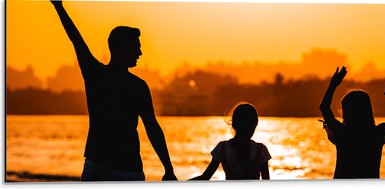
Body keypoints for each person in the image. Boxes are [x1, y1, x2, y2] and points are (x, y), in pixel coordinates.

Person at [51, 0, 177, 181]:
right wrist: (169, 169)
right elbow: (76, 39)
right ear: (121, 48)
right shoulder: (132, 85)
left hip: (108, 167)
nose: (139, 52)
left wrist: (168, 168)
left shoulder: (99, 75)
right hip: (119, 170)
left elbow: (152, 128)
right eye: (136, 46)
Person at [319, 66, 385, 178]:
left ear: (347, 112)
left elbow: (324, 108)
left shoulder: (343, 132)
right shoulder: (377, 133)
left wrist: (333, 85)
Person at [190, 103, 271, 180]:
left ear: (233, 124)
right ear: (255, 125)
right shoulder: (261, 150)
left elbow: (205, 177)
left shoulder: (222, 148)